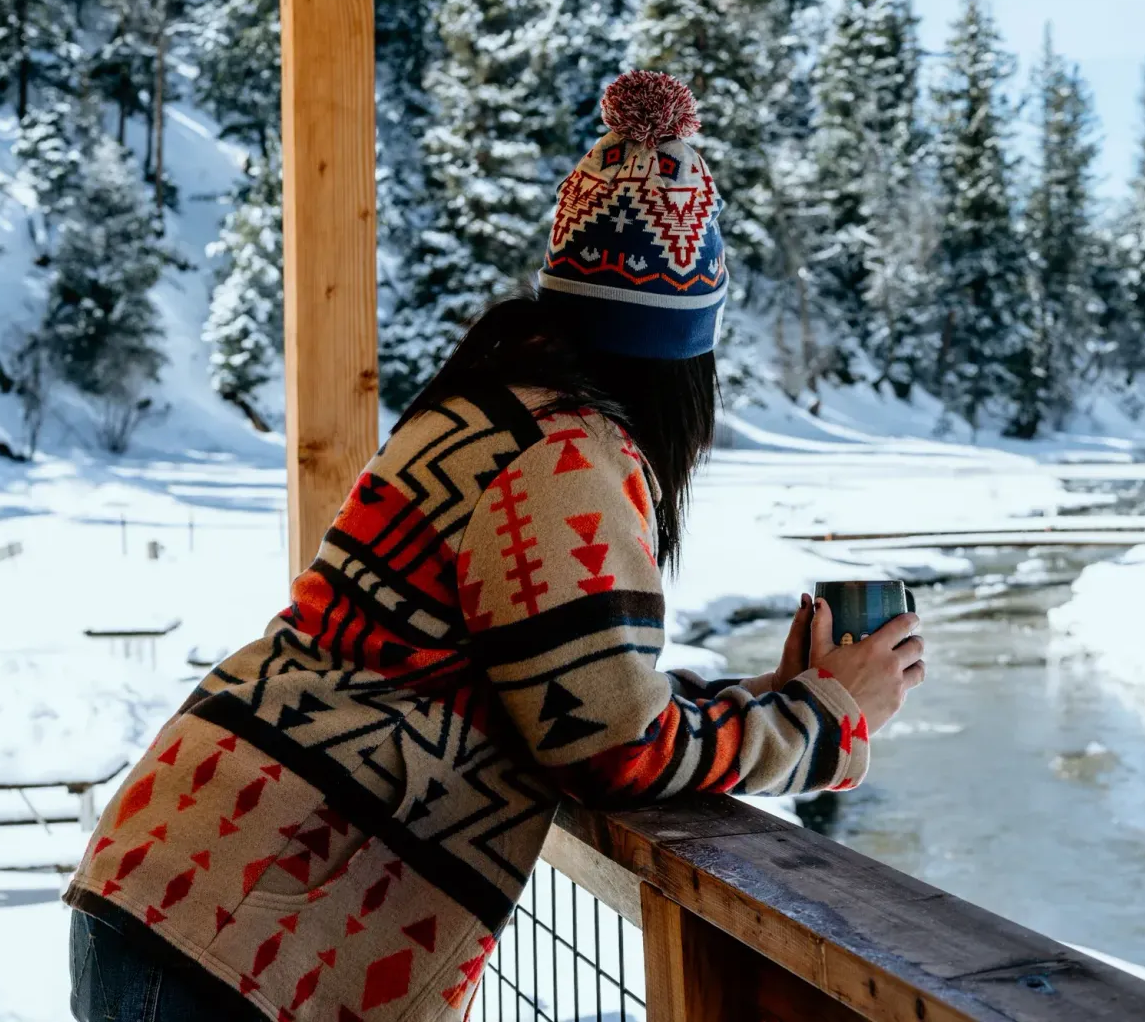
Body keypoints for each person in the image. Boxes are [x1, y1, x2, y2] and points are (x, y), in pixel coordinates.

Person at [64, 71, 924, 1022]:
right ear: (684, 359)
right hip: (241, 935)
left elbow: (557, 693)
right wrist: (828, 720)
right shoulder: (567, 457)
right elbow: (614, 751)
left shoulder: (498, 407)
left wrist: (769, 698)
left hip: (195, 886)